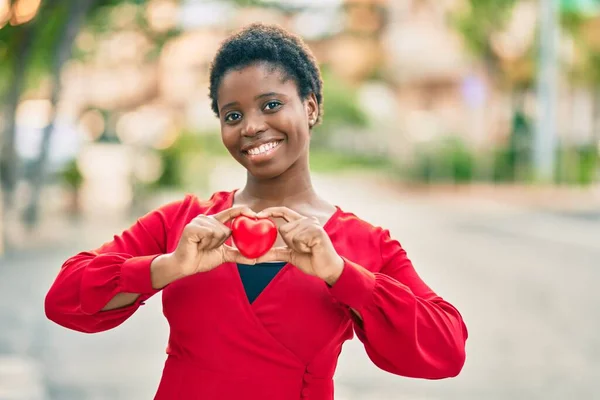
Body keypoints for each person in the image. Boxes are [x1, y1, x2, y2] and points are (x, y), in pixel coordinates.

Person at [45, 23, 468, 400]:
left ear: (311, 106)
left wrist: (342, 274)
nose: (250, 126)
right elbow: (64, 298)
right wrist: (167, 266)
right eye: (233, 114)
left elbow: (447, 349)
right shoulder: (184, 222)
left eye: (270, 105)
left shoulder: (363, 244)